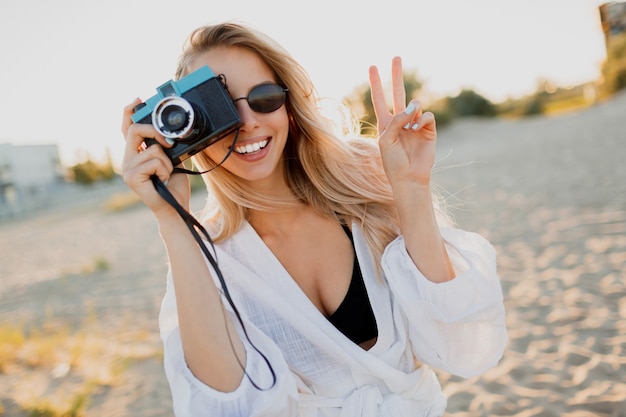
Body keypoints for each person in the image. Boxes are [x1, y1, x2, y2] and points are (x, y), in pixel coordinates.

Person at [121, 21, 507, 417]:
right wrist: (174, 220)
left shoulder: (364, 176)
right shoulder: (207, 257)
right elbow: (229, 407)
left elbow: (459, 342)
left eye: (264, 97)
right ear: (188, 127)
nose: (249, 120)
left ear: (289, 104)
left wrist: (410, 187)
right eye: (220, 107)